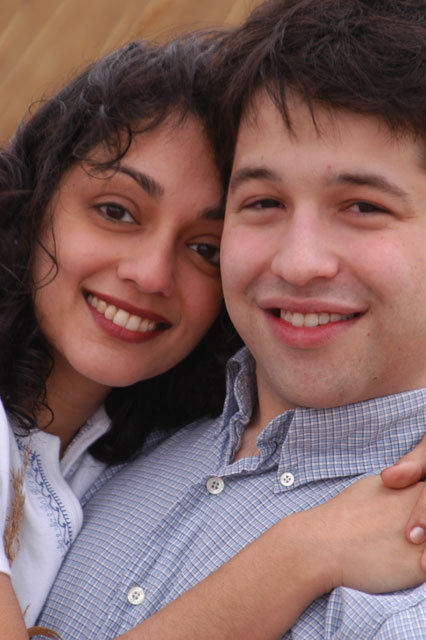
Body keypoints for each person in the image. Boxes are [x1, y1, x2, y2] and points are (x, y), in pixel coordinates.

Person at [4, 26, 423, 640]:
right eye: (263, 203)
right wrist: (301, 553)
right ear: (34, 200)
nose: (297, 263)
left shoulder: (121, 434)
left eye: (363, 206)